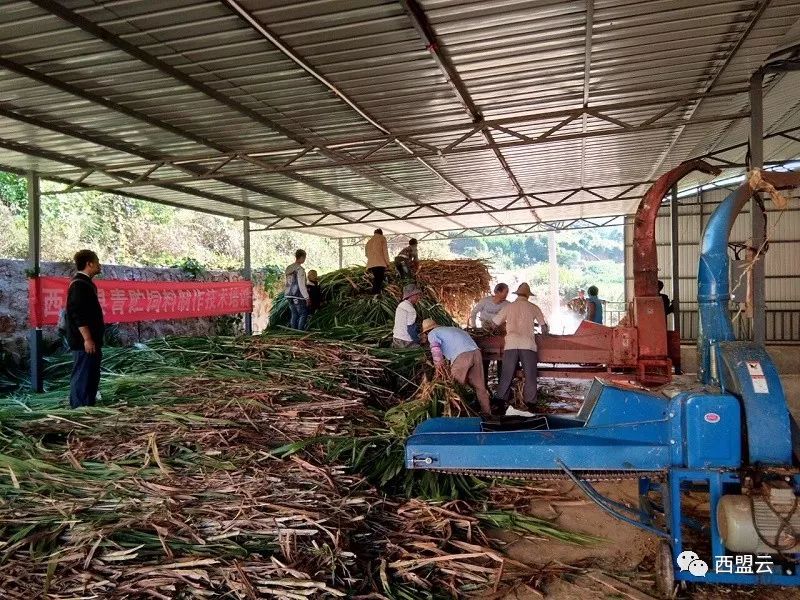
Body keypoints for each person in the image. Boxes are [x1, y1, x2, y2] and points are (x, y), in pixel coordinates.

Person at [492, 282, 549, 410]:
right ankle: (531, 403)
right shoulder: (534, 307)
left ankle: (500, 401)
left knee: (506, 374)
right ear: (528, 296)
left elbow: (494, 324)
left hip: (511, 344)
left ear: (517, 294)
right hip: (528, 345)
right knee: (530, 375)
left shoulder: (509, 307)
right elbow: (544, 327)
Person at [422, 319, 491, 416]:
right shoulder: (452, 329)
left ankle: (460, 413)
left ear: (427, 331)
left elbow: (435, 349)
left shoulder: (432, 333)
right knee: (480, 386)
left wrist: (438, 367)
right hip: (476, 352)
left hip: (461, 356)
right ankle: (487, 413)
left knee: (453, 385)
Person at [65, 249, 105, 409]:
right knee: (83, 374)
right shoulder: (79, 285)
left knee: (91, 375)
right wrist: (87, 339)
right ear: (89, 263)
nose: (99, 265)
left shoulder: (86, 283)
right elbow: (77, 314)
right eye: (97, 262)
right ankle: (79, 410)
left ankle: (88, 406)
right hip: (84, 342)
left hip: (91, 340)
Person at [285, 249, 310, 330]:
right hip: (298, 296)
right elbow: (301, 285)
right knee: (303, 314)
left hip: (288, 295)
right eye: (304, 257)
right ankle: (300, 332)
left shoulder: (289, 268)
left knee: (294, 314)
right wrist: (306, 297)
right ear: (302, 257)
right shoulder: (300, 270)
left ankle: (293, 331)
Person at [365, 228, 391, 294]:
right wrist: (388, 263)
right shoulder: (382, 238)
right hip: (379, 263)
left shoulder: (369, 241)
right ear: (381, 233)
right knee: (379, 279)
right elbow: (385, 252)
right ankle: (375, 293)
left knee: (377, 278)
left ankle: (375, 292)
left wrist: (372, 259)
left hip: (371, 264)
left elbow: (366, 254)